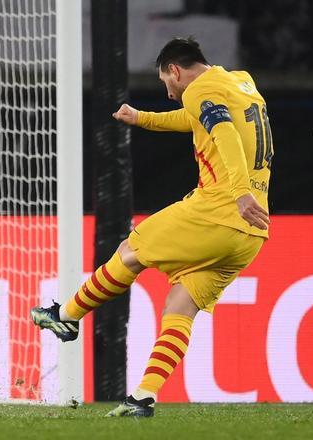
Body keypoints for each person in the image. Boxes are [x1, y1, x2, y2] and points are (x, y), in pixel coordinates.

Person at [31, 37, 273, 417]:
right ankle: (143, 396)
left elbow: (222, 132)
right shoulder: (239, 82)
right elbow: (199, 120)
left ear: (175, 71)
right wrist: (142, 117)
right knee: (180, 304)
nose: (171, 93)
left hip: (221, 209)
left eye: (166, 83)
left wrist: (240, 194)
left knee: (132, 249)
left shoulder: (199, 89)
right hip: (251, 233)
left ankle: (67, 317)